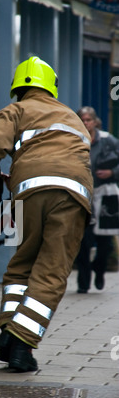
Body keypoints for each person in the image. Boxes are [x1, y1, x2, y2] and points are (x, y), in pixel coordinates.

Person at [0, 56, 93, 372]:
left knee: (22, 264)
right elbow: (73, 153)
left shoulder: (18, 109)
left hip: (30, 192)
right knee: (51, 270)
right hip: (72, 195)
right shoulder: (72, 117)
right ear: (50, 87)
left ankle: (9, 336)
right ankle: (21, 345)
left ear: (18, 88)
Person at [76, 106, 119, 293]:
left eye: (89, 120)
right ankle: (83, 282)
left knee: (105, 243)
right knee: (83, 241)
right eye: (82, 120)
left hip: (105, 194)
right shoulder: (73, 140)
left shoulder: (108, 140)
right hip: (82, 195)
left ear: (95, 121)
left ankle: (100, 269)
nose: (86, 123)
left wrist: (112, 172)